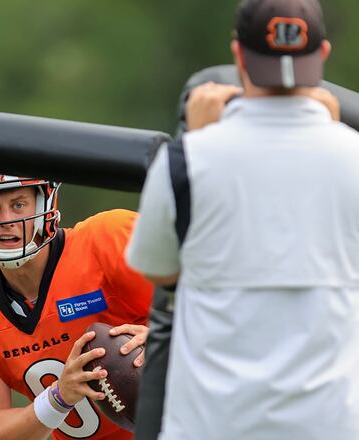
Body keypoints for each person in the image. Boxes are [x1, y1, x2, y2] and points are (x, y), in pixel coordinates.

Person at [126, 0, 359, 439]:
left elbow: (162, 271)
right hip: (330, 426)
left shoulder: (186, 161)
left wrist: (198, 137)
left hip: (212, 425)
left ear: (238, 55)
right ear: (322, 54)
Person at [0, 170, 154, 440]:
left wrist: (170, 336)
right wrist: (59, 397)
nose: (6, 220)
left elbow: (213, 297)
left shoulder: (109, 240)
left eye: (19, 204)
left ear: (44, 201)